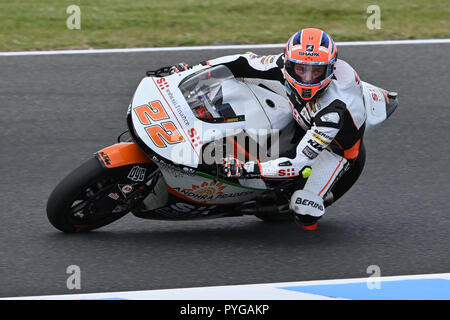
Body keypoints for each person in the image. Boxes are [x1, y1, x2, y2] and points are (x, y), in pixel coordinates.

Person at [171, 28, 366, 230]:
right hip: (305, 110)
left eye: (316, 71)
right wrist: (192, 70)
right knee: (242, 76)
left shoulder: (332, 113)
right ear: (288, 63)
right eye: (301, 69)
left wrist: (246, 169)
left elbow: (298, 163)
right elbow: (243, 62)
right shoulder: (281, 64)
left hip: (334, 148)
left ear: (329, 70)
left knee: (304, 209)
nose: (307, 79)